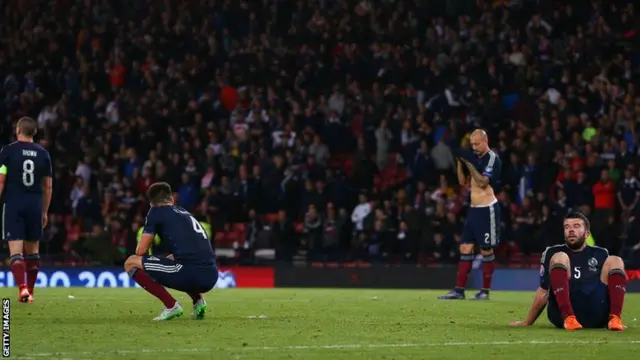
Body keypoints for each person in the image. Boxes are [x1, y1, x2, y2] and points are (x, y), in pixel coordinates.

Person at [509, 212, 626, 331]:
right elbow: (544, 291)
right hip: (561, 315)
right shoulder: (552, 253)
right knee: (560, 256)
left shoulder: (601, 253)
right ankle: (569, 318)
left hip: (595, 312)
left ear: (587, 234)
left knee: (616, 260)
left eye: (576, 226)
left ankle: (615, 319)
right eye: (567, 227)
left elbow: (610, 289)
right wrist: (527, 322)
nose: (571, 230)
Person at [124, 182, 218, 321]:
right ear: (172, 199)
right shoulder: (184, 212)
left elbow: (141, 251)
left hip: (192, 274)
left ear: (151, 203)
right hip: (211, 275)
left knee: (131, 262)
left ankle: (171, 306)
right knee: (172, 259)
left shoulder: (155, 212)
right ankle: (198, 301)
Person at [439, 129, 502, 300]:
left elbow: (482, 182)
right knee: (465, 248)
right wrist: (460, 162)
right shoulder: (475, 158)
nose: (474, 147)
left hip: (487, 208)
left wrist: (468, 163)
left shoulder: (491, 158)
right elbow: (461, 182)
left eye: (477, 144)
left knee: (486, 250)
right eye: (472, 144)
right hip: (473, 210)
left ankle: (485, 292)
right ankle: (459, 290)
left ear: (485, 141)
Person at [0, 117, 53, 303]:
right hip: (34, 205)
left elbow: (1, 180)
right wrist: (45, 211)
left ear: (18, 129)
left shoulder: (7, 151)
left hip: (14, 203)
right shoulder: (43, 154)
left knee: (16, 251)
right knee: (33, 251)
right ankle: (30, 291)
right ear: (34, 132)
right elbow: (48, 187)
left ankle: (22, 289)